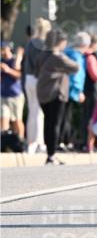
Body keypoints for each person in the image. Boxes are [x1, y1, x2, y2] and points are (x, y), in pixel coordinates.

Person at [35, 28, 79, 164]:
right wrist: (63, 70)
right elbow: (75, 67)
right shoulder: (57, 56)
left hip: (42, 93)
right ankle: (51, 155)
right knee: (55, 124)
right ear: (59, 42)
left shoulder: (42, 54)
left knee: (48, 123)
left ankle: (50, 154)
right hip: (56, 93)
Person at [22, 19, 49, 153]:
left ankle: (31, 141)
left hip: (28, 78)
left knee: (32, 111)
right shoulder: (41, 43)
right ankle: (38, 143)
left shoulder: (30, 42)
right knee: (38, 112)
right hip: (38, 78)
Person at [1, 40, 25, 144]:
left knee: (17, 121)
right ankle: (4, 142)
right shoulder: (1, 61)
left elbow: (19, 75)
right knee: (3, 119)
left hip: (16, 95)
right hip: (3, 95)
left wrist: (8, 70)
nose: (2, 51)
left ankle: (20, 142)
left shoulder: (15, 61)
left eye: (4, 49)